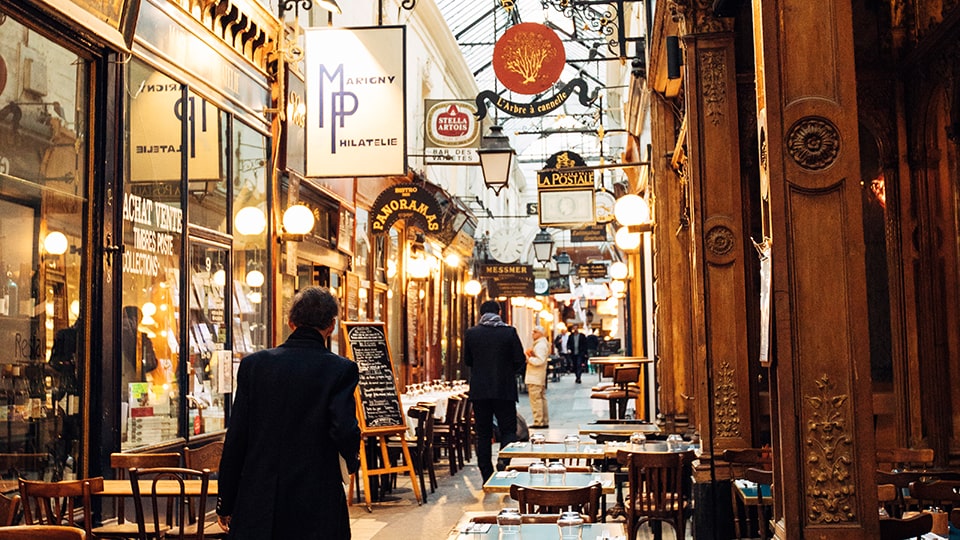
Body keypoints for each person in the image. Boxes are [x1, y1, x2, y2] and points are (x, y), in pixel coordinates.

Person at [217, 287, 361, 540]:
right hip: (316, 496)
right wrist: (351, 461)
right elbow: (344, 429)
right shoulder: (340, 369)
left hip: (259, 496)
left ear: (290, 322)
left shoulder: (254, 366)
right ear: (331, 325)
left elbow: (236, 438)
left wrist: (226, 501)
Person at [464, 300, 526, 482]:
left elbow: (468, 360)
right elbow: (519, 359)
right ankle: (504, 461)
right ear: (499, 312)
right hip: (504, 389)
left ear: (480, 313)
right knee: (508, 430)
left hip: (480, 391)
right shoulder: (509, 332)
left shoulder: (472, 333)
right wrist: (507, 372)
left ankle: (486, 473)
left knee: (483, 432)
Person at [524, 325, 550, 428]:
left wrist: (528, 359)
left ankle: (538, 421)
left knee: (536, 400)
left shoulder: (540, 345)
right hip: (538, 376)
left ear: (540, 333)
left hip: (535, 376)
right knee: (541, 398)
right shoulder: (541, 344)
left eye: (535, 332)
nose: (532, 334)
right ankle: (543, 420)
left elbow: (540, 360)